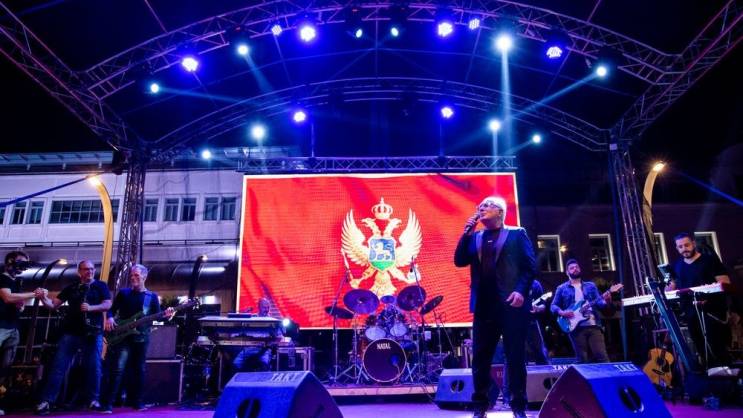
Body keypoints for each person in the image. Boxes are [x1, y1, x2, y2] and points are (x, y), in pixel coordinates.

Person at [454, 196, 536, 418]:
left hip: (511, 306)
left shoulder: (517, 233)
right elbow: (459, 261)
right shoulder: (475, 237)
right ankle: (480, 406)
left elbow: (529, 267)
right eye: (480, 206)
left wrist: (520, 291)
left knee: (515, 357)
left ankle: (518, 406)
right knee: (480, 359)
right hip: (484, 307)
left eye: (487, 205)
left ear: (500, 211)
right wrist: (466, 234)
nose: (481, 208)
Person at [35, 260, 111, 415]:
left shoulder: (101, 286)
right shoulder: (71, 287)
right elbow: (53, 305)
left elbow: (107, 304)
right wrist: (43, 298)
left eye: (92, 269)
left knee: (94, 367)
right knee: (58, 367)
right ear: (79, 271)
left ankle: (93, 400)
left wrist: (91, 308)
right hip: (71, 333)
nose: (90, 272)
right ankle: (47, 401)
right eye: (86, 269)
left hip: (93, 333)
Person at [98, 264, 174, 413]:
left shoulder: (151, 297)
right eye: (132, 275)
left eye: (136, 275)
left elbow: (158, 317)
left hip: (141, 338)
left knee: (139, 370)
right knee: (117, 369)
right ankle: (107, 404)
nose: (133, 278)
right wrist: (110, 318)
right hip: (123, 337)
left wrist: (167, 316)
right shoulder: (124, 293)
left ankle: (137, 402)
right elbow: (112, 310)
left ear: (144, 277)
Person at [669, 232, 731, 368]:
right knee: (699, 346)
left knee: (716, 345)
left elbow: (725, 283)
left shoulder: (710, 260)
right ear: (677, 248)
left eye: (687, 245)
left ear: (693, 243)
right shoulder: (677, 265)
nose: (684, 249)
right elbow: (672, 287)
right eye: (680, 247)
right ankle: (709, 374)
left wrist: (709, 297)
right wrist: (666, 287)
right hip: (690, 311)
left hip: (711, 311)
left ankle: (727, 374)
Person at [0, 251, 45, 416]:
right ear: (11, 262)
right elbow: (7, 297)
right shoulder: (3, 278)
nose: (23, 267)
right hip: (1, 326)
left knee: (5, 368)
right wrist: (34, 294)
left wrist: (21, 305)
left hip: (12, 327)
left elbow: (17, 302)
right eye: (21, 263)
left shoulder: (16, 281)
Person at [551, 259, 615, 363]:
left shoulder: (591, 286)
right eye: (572, 268)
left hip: (593, 325)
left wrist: (607, 301)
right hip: (575, 327)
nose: (575, 269)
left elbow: (599, 303)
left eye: (577, 267)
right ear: (567, 272)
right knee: (582, 359)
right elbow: (553, 306)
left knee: (602, 356)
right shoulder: (562, 288)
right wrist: (562, 312)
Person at [232, 298, 276, 372]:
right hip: (249, 348)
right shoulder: (252, 318)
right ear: (259, 307)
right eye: (264, 307)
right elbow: (238, 331)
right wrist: (243, 316)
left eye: (268, 307)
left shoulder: (272, 321)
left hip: (264, 349)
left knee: (265, 365)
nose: (266, 310)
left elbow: (279, 336)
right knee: (236, 363)